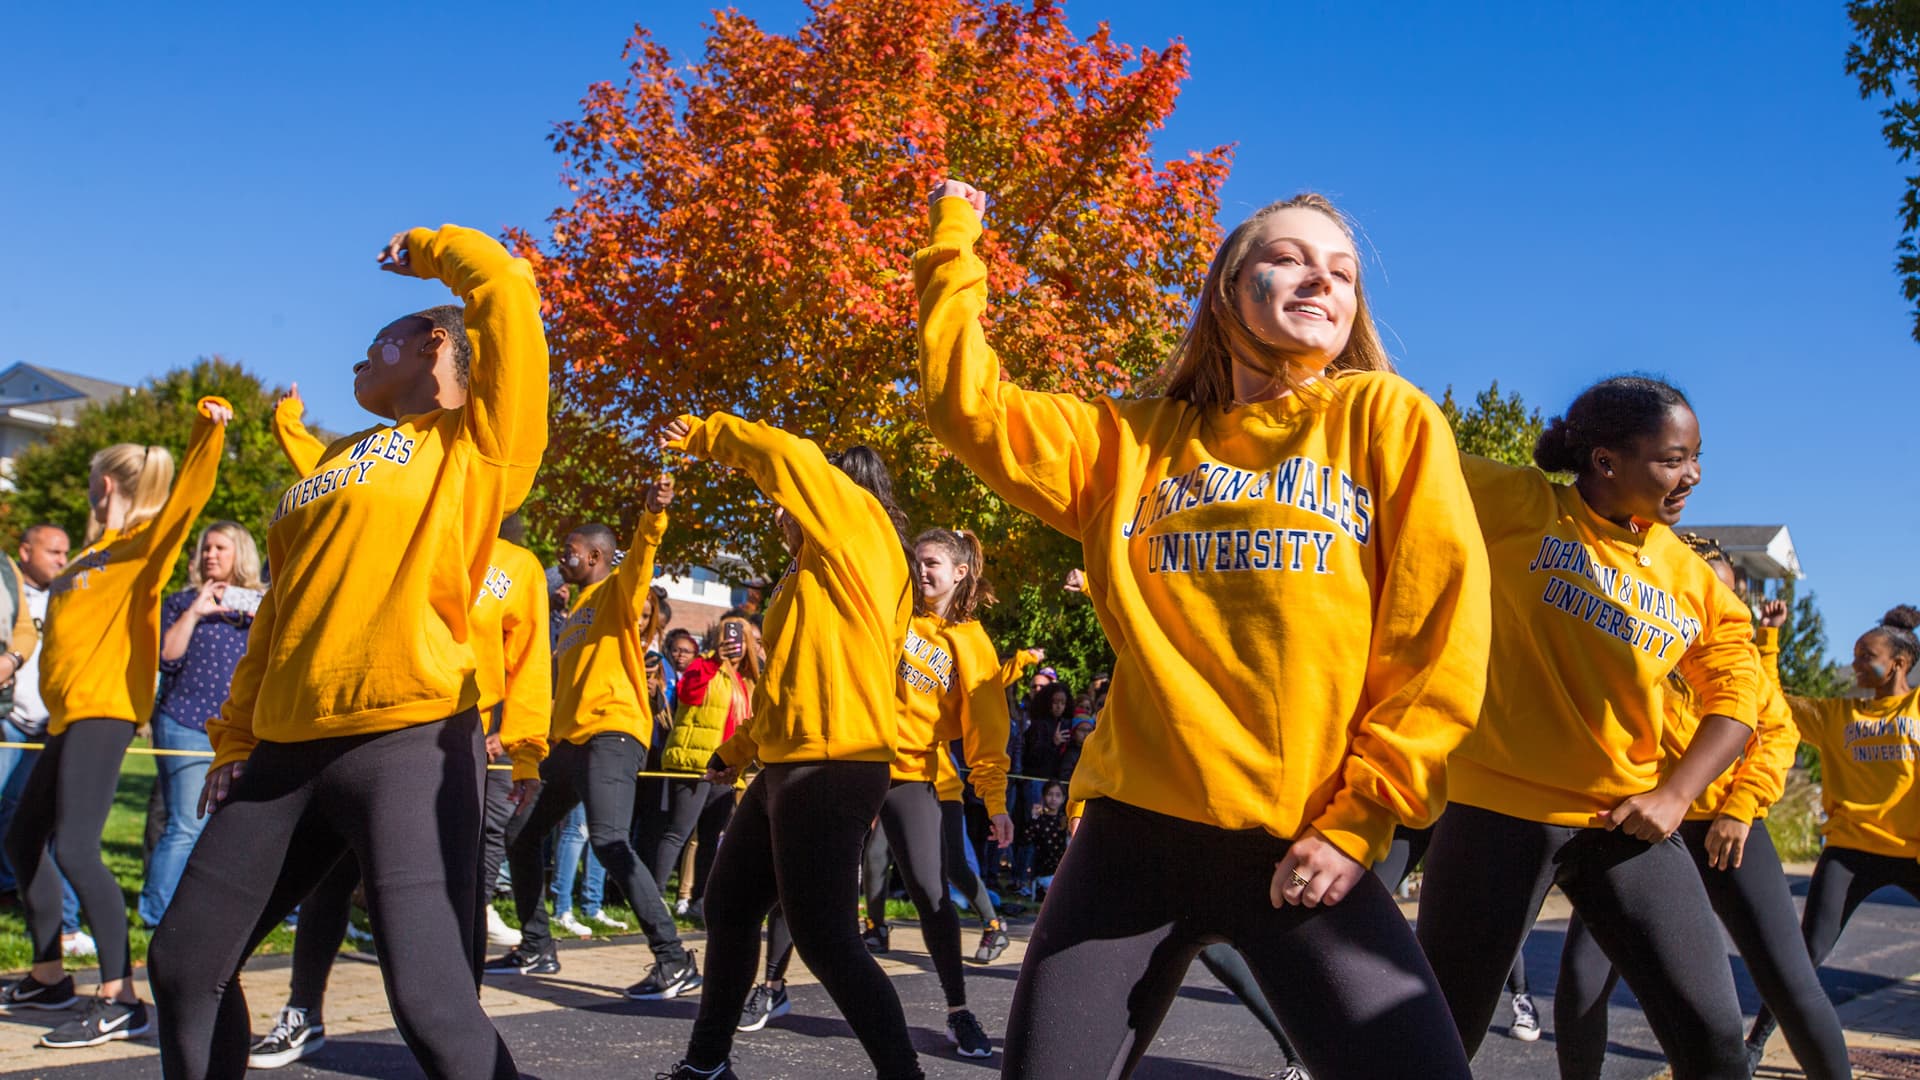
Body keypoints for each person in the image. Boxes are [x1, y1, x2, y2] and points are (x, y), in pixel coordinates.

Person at [915, 179, 1489, 1078]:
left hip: (1303, 842)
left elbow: (1438, 639)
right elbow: (967, 407)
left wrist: (1360, 820)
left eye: (1341, 273)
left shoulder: (1388, 420)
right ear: (1227, 289)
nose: (1321, 282)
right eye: (1289, 259)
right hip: (1130, 841)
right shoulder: (1130, 442)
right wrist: (958, 244)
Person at [148, 224, 545, 1080]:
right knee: (184, 967)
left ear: (434, 344)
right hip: (286, 751)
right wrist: (237, 741)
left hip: (406, 740)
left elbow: (507, 296)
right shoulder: (329, 462)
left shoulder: (474, 442)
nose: (360, 361)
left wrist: (437, 249)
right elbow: (281, 616)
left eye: (378, 344)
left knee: (432, 1003)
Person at [1415, 376, 1764, 1080]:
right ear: (1605, 462)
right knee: (1438, 1037)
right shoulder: (1519, 502)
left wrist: (1675, 797)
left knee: (1715, 1036)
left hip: (1623, 822)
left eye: (1697, 457)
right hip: (1495, 811)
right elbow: (1400, 450)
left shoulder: (1693, 579)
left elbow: (1737, 697)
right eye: (1672, 458)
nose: (1691, 474)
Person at [658, 413, 917, 1080]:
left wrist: (702, 432)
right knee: (731, 906)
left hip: (831, 763)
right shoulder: (813, 575)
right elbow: (791, 688)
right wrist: (737, 752)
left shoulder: (857, 524)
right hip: (789, 761)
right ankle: (706, 1066)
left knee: (825, 938)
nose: (783, 503)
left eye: (797, 494)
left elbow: (788, 453)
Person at [1553, 539, 1849, 1080]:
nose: (1720, 610)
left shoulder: (1740, 660)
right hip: (1638, 833)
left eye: (1729, 598)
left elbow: (1776, 734)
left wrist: (1740, 807)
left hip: (1724, 832)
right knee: (1581, 980)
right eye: (1706, 594)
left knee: (1790, 983)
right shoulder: (1632, 645)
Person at [1, 399, 231, 1048]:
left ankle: (119, 997)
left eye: (89, 482)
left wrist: (206, 434)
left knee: (74, 848)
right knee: (23, 841)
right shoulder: (88, 556)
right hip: (68, 716)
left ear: (104, 484)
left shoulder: (138, 548)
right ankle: (49, 977)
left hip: (104, 712)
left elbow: (185, 502)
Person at [484, 477, 699, 998]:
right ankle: (537, 945)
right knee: (522, 833)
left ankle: (674, 959)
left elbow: (643, 558)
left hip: (613, 734)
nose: (563, 557)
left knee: (607, 840)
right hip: (571, 744)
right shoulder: (577, 608)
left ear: (599, 556)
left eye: (572, 552)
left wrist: (652, 516)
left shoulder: (619, 590)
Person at [1744, 604, 1920, 1067]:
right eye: (1857, 655)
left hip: (1913, 852)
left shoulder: (1917, 709)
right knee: (1803, 954)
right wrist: (1768, 638)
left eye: (1867, 656)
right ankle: (1754, 1045)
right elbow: (1773, 701)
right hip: (1850, 852)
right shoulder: (1836, 716)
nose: (1857, 663)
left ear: (1899, 663)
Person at [138, 522, 265, 927]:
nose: (210, 554)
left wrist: (248, 605)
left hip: (242, 729)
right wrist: (195, 612)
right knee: (185, 823)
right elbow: (166, 657)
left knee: (230, 827)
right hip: (186, 723)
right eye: (206, 548)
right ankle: (156, 915)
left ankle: (208, 914)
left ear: (240, 554)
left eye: (220, 548)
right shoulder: (180, 602)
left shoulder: (262, 605)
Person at [0, 525, 86, 958]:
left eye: (65, 551)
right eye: (53, 551)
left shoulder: (71, 595)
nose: (60, 559)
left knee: (51, 828)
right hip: (10, 721)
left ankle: (60, 929)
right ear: (25, 551)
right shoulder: (8, 589)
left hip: (52, 724)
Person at [647, 615, 758, 915]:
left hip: (725, 769)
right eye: (728, 635)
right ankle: (653, 898)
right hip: (695, 763)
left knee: (711, 837)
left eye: (740, 637)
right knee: (679, 832)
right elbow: (688, 693)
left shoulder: (748, 680)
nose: (734, 642)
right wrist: (712, 663)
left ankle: (700, 901)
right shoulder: (702, 666)